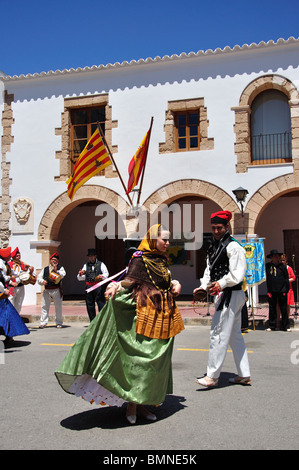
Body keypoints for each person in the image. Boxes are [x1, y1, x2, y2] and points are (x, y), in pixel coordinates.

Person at [55, 224, 184, 424]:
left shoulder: (162, 260)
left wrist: (175, 284)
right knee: (139, 362)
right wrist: (114, 286)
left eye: (168, 240)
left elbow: (165, 282)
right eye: (164, 239)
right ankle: (132, 404)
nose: (167, 243)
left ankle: (143, 403)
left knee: (155, 363)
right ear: (152, 239)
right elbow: (129, 280)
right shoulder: (140, 259)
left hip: (163, 316)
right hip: (143, 314)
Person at [193, 210, 251, 387]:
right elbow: (209, 271)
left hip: (231, 294)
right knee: (235, 336)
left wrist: (220, 284)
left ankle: (212, 376)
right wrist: (203, 287)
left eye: (220, 227)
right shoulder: (214, 247)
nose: (216, 231)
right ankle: (244, 374)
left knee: (217, 333)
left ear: (227, 227)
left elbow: (237, 274)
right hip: (225, 294)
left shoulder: (234, 247)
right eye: (214, 228)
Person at [0, 247, 30, 347]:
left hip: (3, 293)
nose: (10, 256)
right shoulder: (1, 264)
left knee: (9, 315)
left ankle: (9, 336)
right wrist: (9, 282)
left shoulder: (6, 264)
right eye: (9, 254)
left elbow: (13, 274)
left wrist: (22, 273)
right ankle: (8, 336)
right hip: (2, 293)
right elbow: (2, 278)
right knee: (5, 316)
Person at [77, 248, 109, 322]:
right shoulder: (86, 265)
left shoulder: (101, 264)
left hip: (98, 287)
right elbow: (81, 278)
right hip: (89, 287)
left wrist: (102, 276)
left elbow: (106, 274)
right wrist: (80, 274)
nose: (91, 258)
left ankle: (102, 321)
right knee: (90, 305)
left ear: (95, 256)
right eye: (89, 256)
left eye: (92, 256)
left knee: (101, 304)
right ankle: (93, 321)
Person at [37, 252, 66, 328]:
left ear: (57, 261)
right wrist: (42, 281)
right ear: (50, 260)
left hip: (56, 289)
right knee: (44, 306)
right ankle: (43, 322)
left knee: (58, 306)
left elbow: (63, 274)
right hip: (47, 290)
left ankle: (59, 322)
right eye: (52, 259)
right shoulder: (45, 269)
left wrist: (56, 271)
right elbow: (39, 277)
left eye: (55, 260)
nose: (54, 261)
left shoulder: (60, 268)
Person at [265, 249, 290, 332]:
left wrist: (286, 290)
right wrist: (268, 290)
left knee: (283, 308)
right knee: (272, 308)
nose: (276, 258)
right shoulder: (268, 266)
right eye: (275, 256)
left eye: (277, 256)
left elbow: (286, 278)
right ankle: (272, 325)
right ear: (271, 257)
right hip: (272, 290)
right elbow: (268, 279)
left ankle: (286, 326)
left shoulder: (282, 266)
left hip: (282, 290)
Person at [8, 247, 36, 314]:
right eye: (17, 256)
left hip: (20, 286)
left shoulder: (23, 265)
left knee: (19, 304)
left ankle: (17, 319)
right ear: (13, 256)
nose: (19, 257)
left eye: (19, 255)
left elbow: (25, 275)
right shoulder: (9, 264)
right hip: (12, 287)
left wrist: (31, 272)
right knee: (11, 303)